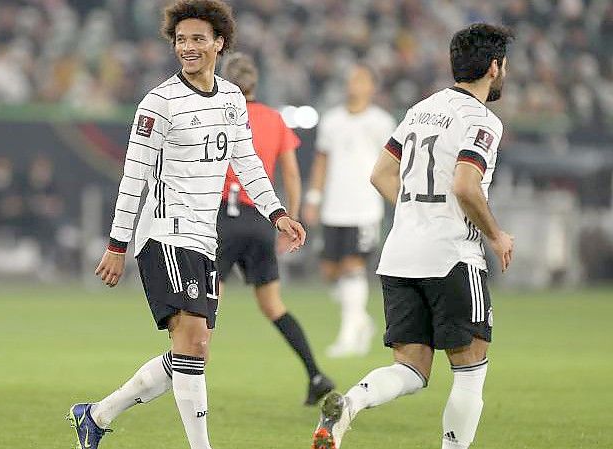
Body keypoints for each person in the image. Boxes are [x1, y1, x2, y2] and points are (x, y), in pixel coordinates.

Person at [69, 2, 307, 449]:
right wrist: (117, 245)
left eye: (198, 39)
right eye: (181, 40)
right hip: (163, 233)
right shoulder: (159, 102)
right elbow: (134, 176)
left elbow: (248, 163)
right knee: (194, 344)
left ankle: (96, 415)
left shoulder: (233, 98)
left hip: (204, 237)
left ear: (219, 43)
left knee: (191, 352)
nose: (188, 47)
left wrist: (278, 214)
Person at [311, 23, 515, 449]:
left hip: (400, 254)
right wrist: (495, 235)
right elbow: (465, 185)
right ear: (495, 67)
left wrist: (413, 212)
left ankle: (348, 404)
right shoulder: (482, 121)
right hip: (452, 256)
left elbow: (380, 173)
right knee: (470, 369)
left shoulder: (421, 110)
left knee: (410, 369)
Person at [216, 52, 334, 405]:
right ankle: (315, 374)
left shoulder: (218, 115)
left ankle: (186, 384)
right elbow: (292, 174)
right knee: (273, 305)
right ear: (255, 83)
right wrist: (290, 218)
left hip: (221, 217)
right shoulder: (274, 120)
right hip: (260, 220)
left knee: (203, 308)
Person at [303, 63, 396, 357]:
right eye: (351, 79)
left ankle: (347, 336)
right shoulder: (331, 120)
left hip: (365, 207)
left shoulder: (382, 122)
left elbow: (393, 165)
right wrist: (314, 198)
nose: (354, 84)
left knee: (353, 267)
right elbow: (321, 161)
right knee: (330, 271)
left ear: (372, 86)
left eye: (361, 79)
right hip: (334, 206)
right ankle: (361, 321)